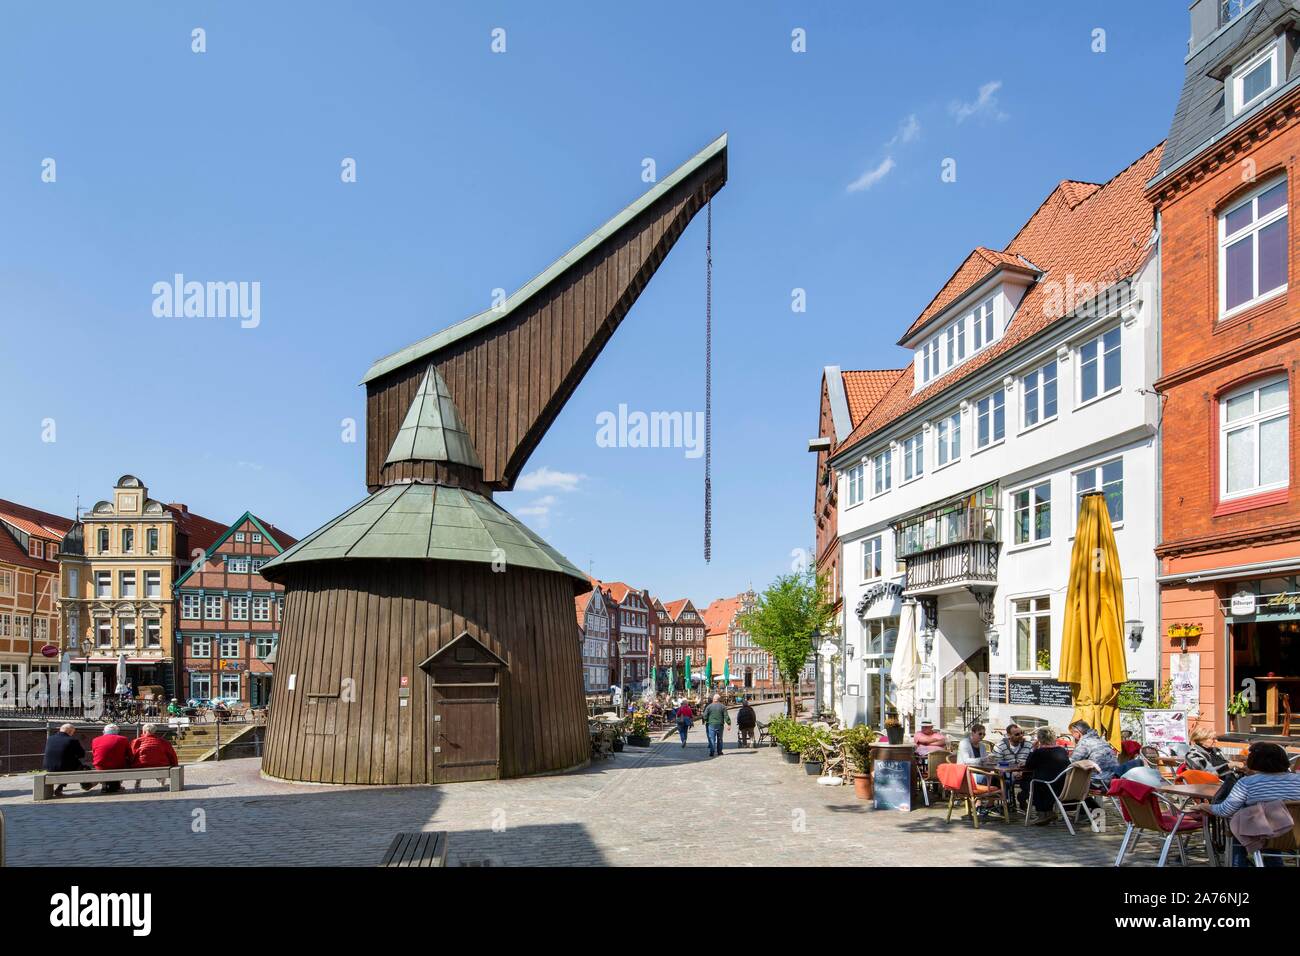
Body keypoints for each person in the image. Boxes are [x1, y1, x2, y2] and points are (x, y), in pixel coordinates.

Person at [1200, 742, 1300, 867]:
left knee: (1241, 825)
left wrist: (1204, 806)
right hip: (1294, 833)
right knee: (1269, 823)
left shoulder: (1247, 783)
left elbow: (1225, 811)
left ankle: (1238, 864)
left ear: (1254, 761)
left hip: (1263, 834)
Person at [1025, 728, 1072, 825]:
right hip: (1062, 785)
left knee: (1034, 782)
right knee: (1041, 781)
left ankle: (1042, 815)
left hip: (1048, 786)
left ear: (1039, 739)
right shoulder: (1062, 750)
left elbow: (1028, 766)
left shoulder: (1039, 752)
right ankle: (1049, 813)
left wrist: (1032, 750)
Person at [991, 723, 1033, 811]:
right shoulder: (1000, 746)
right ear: (1009, 735)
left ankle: (1022, 797)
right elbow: (997, 764)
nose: (1021, 736)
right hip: (1006, 773)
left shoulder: (1029, 745)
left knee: (1035, 782)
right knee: (1004, 779)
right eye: (1017, 734)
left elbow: (1032, 760)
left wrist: (1023, 768)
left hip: (1025, 773)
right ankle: (1006, 804)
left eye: (1022, 733)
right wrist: (1011, 772)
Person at [129, 724, 179, 789]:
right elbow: (172, 755)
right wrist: (175, 765)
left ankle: (138, 781)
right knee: (158, 763)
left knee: (140, 764)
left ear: (143, 731)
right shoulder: (163, 742)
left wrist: (129, 765)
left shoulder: (136, 741)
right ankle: (161, 782)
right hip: (161, 766)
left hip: (140, 766)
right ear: (154, 731)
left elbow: (131, 755)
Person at [42, 724, 86, 798]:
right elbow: (81, 755)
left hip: (48, 767)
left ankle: (60, 788)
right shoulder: (72, 740)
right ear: (69, 731)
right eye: (73, 732)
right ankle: (87, 785)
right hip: (63, 767)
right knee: (80, 766)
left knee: (67, 762)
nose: (73, 734)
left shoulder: (50, 739)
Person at [91, 723, 131, 793]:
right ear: (117, 732)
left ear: (104, 731)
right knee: (123, 762)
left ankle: (104, 784)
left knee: (103, 763)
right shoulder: (123, 739)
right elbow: (129, 754)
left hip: (100, 766)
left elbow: (94, 753)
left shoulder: (95, 740)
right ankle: (118, 783)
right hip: (117, 766)